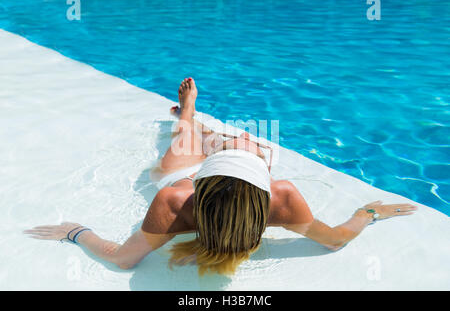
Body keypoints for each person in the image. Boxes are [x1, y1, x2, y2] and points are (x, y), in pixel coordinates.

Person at [25, 78, 418, 275]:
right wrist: (368, 213)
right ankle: (193, 122)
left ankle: (190, 119)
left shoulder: (176, 201)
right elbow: (335, 240)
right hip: (232, 175)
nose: (246, 139)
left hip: (198, 176)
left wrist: (76, 231)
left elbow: (124, 259)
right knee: (221, 143)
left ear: (200, 186)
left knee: (180, 153)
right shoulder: (280, 197)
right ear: (266, 180)